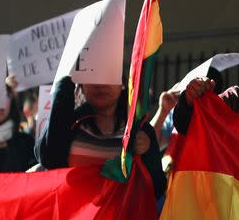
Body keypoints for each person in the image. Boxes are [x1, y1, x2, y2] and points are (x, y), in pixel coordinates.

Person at [35, 76, 166, 199]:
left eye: (108, 75)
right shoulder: (69, 124)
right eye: (92, 75)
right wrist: (65, 85)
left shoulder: (139, 129)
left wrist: (147, 156)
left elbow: (156, 189)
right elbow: (49, 160)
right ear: (81, 82)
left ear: (122, 82)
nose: (100, 85)